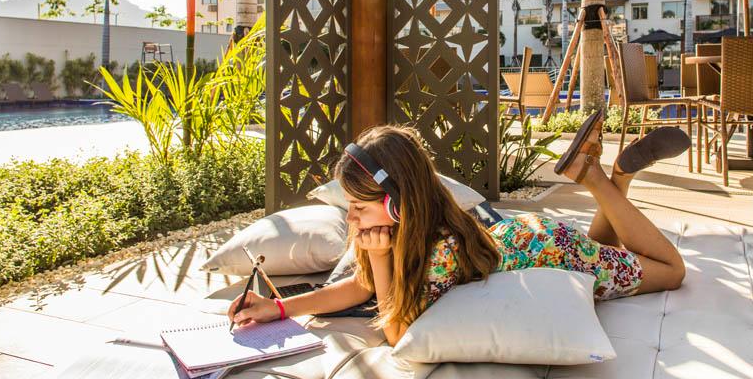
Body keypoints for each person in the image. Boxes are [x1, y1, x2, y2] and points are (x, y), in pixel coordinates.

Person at [226, 114, 687, 346]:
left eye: (359, 209)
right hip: (533, 240)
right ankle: (619, 178)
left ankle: (597, 177)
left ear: (396, 204)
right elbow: (359, 286)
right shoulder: (404, 226)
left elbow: (397, 333)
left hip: (551, 251)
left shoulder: (439, 251)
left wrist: (382, 260)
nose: (350, 219)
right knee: (599, 249)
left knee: (671, 270)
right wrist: (279, 308)